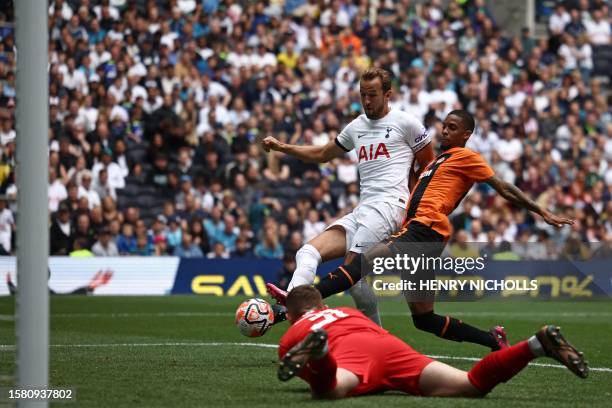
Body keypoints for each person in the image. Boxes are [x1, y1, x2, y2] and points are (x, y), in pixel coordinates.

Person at [271, 110, 574, 351]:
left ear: (466, 134)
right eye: (445, 126)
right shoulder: (434, 162)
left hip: (425, 227)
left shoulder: (467, 157)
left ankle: (297, 301)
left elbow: (503, 187)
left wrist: (540, 210)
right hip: (425, 234)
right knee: (424, 319)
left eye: (453, 127)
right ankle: (493, 340)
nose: (445, 131)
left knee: (364, 260)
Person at [263, 68, 434, 326]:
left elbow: (428, 169)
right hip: (364, 208)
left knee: (350, 271)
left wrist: (415, 211)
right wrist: (282, 148)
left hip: (389, 207)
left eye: (372, 95)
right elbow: (322, 154)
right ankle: (295, 301)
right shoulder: (356, 126)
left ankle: (298, 306)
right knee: (308, 252)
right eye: (363, 94)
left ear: (388, 95)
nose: (366, 101)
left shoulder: (407, 123)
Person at [278, 286, 587, 400]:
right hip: (387, 347)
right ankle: (536, 344)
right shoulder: (344, 310)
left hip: (347, 357)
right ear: (320, 305)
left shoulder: (291, 334)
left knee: (328, 389)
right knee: (470, 385)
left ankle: (320, 351)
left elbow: (314, 382)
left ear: (292, 317)